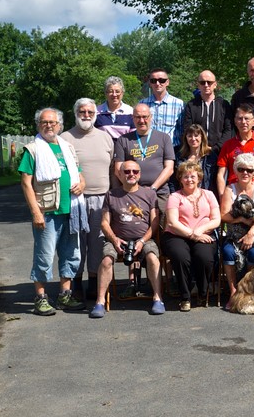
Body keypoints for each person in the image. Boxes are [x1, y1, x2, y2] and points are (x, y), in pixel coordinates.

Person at [19, 108, 86, 315]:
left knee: (71, 255)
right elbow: (25, 183)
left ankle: (65, 296)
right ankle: (40, 298)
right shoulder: (33, 149)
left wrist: (82, 184)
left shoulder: (67, 147)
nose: (49, 125)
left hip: (71, 211)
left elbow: (79, 174)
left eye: (52, 122)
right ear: (38, 125)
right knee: (44, 257)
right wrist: (35, 213)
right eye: (44, 122)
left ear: (60, 125)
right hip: (47, 212)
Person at [89, 161, 165, 318]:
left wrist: (143, 241)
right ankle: (100, 301)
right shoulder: (111, 195)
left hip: (143, 239)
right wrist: (114, 239)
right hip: (117, 239)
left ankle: (158, 298)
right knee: (106, 260)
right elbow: (104, 222)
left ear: (140, 174)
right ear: (120, 174)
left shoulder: (149, 194)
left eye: (135, 171)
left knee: (153, 257)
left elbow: (155, 222)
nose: (131, 174)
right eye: (127, 171)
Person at [60, 98, 114, 300]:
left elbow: (112, 169)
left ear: (95, 114)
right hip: (76, 198)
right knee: (76, 242)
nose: (86, 115)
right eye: (82, 112)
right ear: (75, 113)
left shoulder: (105, 137)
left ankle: (94, 281)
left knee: (97, 242)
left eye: (90, 112)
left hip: (102, 198)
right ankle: (76, 282)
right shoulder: (65, 138)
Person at [161, 162, 221, 311]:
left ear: (199, 178)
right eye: (185, 176)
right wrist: (193, 235)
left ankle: (202, 292)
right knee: (180, 256)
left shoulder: (209, 194)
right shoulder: (174, 196)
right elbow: (172, 222)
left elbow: (216, 220)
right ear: (180, 179)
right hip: (177, 235)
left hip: (204, 234)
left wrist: (200, 231)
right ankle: (185, 297)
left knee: (204, 257)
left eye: (193, 176)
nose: (189, 179)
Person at [220, 153, 254, 307]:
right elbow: (223, 215)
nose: (245, 173)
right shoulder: (230, 189)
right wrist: (240, 219)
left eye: (249, 170)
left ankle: (248, 291)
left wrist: (250, 235)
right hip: (234, 234)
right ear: (235, 171)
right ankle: (233, 292)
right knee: (227, 252)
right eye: (241, 169)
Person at [113, 104, 176, 218]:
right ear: (133, 118)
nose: (141, 120)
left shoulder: (164, 138)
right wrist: (136, 189)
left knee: (163, 228)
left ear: (151, 117)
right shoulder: (123, 140)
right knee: (133, 226)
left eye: (145, 117)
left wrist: (152, 188)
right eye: (137, 117)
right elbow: (118, 170)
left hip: (159, 193)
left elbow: (169, 168)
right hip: (131, 193)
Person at [216, 105, 254, 197]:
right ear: (235, 121)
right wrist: (222, 197)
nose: (243, 122)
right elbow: (221, 174)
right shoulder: (228, 145)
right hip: (233, 192)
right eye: (240, 119)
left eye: (247, 119)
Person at [182, 69, 233, 163]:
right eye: (202, 82)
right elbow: (187, 129)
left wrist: (215, 148)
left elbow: (228, 130)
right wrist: (199, 148)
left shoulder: (224, 105)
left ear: (215, 84)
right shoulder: (191, 105)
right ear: (198, 85)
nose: (206, 85)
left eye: (209, 82)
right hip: (197, 153)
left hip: (220, 153)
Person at [139, 67, 185, 147]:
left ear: (167, 82)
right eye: (153, 81)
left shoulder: (179, 104)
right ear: (150, 83)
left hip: (172, 150)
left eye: (161, 80)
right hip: (148, 150)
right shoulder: (142, 104)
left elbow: (182, 130)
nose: (157, 83)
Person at [176, 124, 215, 192]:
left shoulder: (210, 156)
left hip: (205, 195)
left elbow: (215, 179)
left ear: (201, 137)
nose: (193, 139)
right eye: (190, 136)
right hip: (184, 195)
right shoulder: (180, 157)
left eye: (196, 135)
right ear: (186, 138)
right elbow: (174, 179)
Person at [95, 76, 134, 141]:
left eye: (117, 91)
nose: (114, 94)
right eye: (110, 91)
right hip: (104, 150)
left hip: (125, 150)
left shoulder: (130, 111)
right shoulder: (96, 112)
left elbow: (134, 136)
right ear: (106, 93)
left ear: (122, 93)